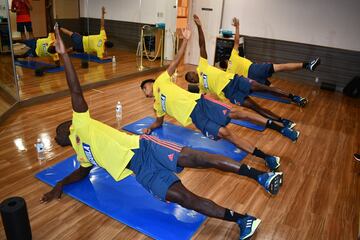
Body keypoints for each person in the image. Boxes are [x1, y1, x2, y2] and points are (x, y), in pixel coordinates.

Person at [41, 24, 283, 240]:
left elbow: (76, 92)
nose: (55, 138)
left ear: (66, 128)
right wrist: (60, 184)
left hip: (144, 148)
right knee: (185, 199)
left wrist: (64, 55)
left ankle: (260, 176)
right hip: (141, 172)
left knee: (198, 158)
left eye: (56, 133)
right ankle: (242, 220)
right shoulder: (81, 154)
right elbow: (83, 172)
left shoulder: (79, 125)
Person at [140, 23, 299, 171]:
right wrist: (150, 127)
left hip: (201, 104)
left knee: (237, 113)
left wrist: (185, 40)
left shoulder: (161, 79)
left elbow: (175, 61)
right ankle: (266, 157)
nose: (144, 91)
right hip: (196, 118)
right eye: (143, 91)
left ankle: (281, 128)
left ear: (151, 83)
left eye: (144, 87)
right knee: (225, 133)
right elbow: (158, 122)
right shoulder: (157, 106)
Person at [185, 15, 309, 110]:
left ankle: (296, 96)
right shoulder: (230, 63)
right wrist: (237, 27)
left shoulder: (227, 70)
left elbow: (234, 42)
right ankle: (297, 94)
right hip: (253, 73)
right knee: (274, 85)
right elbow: (236, 42)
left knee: (273, 87)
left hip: (252, 73)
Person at [220, 17, 320, 86]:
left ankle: (293, 98)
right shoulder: (232, 57)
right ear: (226, 60)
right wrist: (237, 27)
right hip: (254, 69)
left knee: (271, 89)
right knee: (282, 67)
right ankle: (307, 65)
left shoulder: (229, 73)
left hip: (251, 79)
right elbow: (236, 42)